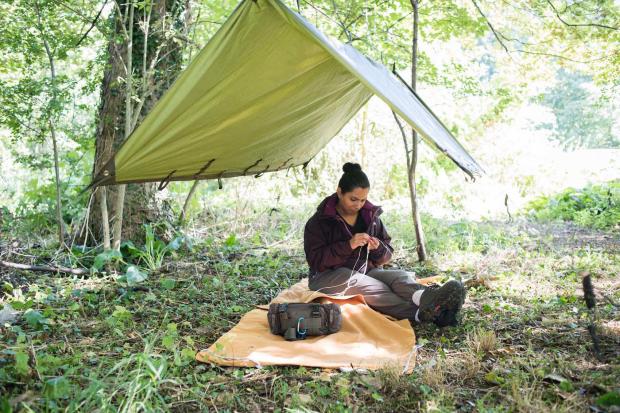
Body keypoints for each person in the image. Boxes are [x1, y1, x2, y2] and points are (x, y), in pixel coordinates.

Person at [303, 162, 465, 327]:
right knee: (371, 286)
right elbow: (316, 260)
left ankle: (428, 300)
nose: (358, 205)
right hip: (326, 277)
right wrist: (348, 245)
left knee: (398, 276)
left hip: (365, 269)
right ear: (339, 192)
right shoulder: (319, 222)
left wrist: (378, 247)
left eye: (363, 200)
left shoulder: (370, 217)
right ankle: (419, 314)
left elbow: (386, 256)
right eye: (353, 199)